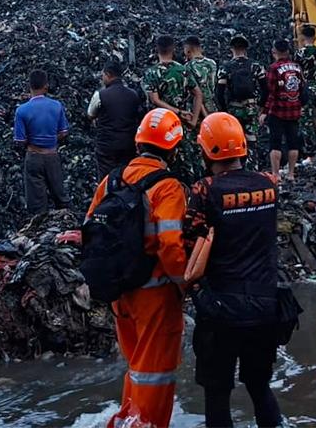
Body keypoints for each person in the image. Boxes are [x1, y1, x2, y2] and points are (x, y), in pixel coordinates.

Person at [86, 108, 188, 428]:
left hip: (120, 293)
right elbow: (170, 245)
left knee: (137, 366)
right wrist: (186, 283)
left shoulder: (111, 180)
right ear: (173, 147)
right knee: (155, 373)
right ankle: (146, 424)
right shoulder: (168, 186)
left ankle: (126, 418)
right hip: (155, 296)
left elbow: (89, 229)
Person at [185, 113, 283, 428]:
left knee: (217, 393)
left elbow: (190, 245)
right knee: (259, 386)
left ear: (205, 150)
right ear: (241, 148)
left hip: (221, 309)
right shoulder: (268, 185)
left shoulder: (203, 190)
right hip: (264, 305)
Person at [143, 35, 200, 183]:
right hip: (181, 126)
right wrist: (193, 119)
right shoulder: (183, 70)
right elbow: (198, 94)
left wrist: (177, 112)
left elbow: (154, 100)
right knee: (186, 164)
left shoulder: (151, 73)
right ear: (174, 49)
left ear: (157, 50)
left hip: (159, 128)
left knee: (160, 166)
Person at [14, 69, 71, 213]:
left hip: (33, 157)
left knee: (36, 202)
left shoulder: (22, 110)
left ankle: (39, 230)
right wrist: (51, 139)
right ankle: (65, 227)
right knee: (60, 196)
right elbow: (64, 132)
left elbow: (20, 140)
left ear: (30, 86)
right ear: (46, 86)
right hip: (52, 156)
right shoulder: (56, 106)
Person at [215, 35, 268, 168]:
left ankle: (236, 169)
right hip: (251, 108)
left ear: (232, 49)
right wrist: (261, 107)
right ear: (246, 49)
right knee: (252, 140)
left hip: (233, 110)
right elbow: (265, 89)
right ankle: (253, 169)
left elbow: (219, 93)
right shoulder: (256, 66)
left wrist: (224, 111)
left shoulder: (226, 67)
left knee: (235, 140)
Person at [87, 60, 143, 181]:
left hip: (107, 147)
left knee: (106, 179)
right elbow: (138, 116)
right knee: (126, 177)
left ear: (108, 74)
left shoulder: (100, 95)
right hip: (128, 145)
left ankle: (107, 198)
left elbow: (90, 114)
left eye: (103, 75)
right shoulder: (133, 94)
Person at [259, 39, 305, 181]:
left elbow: (270, 92)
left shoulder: (273, 68)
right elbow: (303, 88)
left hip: (277, 111)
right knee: (293, 142)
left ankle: (276, 174)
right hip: (294, 111)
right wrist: (301, 105)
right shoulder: (297, 67)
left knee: (275, 143)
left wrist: (264, 111)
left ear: (274, 52)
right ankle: (291, 174)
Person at [184, 36, 218, 125]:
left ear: (187, 49)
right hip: (212, 107)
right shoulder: (212, 63)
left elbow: (197, 93)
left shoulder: (188, 66)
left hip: (195, 110)